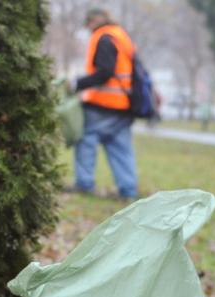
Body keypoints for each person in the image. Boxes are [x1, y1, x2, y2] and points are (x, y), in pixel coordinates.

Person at [71, 8, 139, 201]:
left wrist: (77, 84)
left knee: (85, 140)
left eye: (88, 24)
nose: (88, 28)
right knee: (120, 147)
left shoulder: (104, 38)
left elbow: (105, 72)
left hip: (103, 104)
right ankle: (128, 190)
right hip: (124, 104)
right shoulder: (121, 35)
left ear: (93, 21)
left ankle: (84, 183)